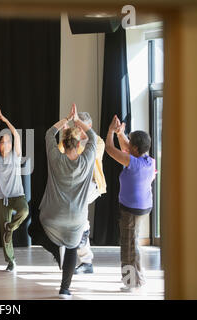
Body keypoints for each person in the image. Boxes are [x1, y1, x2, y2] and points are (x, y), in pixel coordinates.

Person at [30, 103, 97, 299]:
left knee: (32, 230)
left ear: (64, 143)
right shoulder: (86, 160)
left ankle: (54, 249)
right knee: (71, 248)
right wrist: (77, 121)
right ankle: (64, 290)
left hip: (52, 217)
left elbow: (49, 133)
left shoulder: (55, 158)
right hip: (77, 219)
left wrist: (67, 120)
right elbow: (92, 137)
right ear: (78, 144)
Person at [105, 115, 155, 292]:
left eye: (130, 142)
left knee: (128, 246)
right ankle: (138, 278)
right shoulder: (148, 161)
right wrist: (121, 133)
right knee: (133, 243)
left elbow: (110, 149)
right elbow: (127, 147)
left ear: (135, 148)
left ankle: (131, 283)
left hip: (131, 211)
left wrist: (111, 131)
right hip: (143, 208)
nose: (128, 144)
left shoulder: (132, 163)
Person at [58, 112, 107, 274]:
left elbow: (86, 157)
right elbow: (62, 153)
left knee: (78, 213)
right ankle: (86, 261)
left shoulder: (98, 142)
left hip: (93, 185)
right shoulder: (75, 141)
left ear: (89, 127)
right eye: (76, 127)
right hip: (77, 186)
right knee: (74, 216)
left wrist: (72, 140)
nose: (77, 130)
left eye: (80, 127)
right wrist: (66, 137)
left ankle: (84, 238)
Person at [0, 109, 29, 272]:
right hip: (1, 198)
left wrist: (5, 120)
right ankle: (11, 261)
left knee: (24, 211)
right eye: (4, 141)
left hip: (17, 195)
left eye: (9, 142)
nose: (8, 144)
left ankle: (11, 227)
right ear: (0, 145)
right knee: (4, 233)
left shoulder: (16, 156)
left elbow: (17, 135)